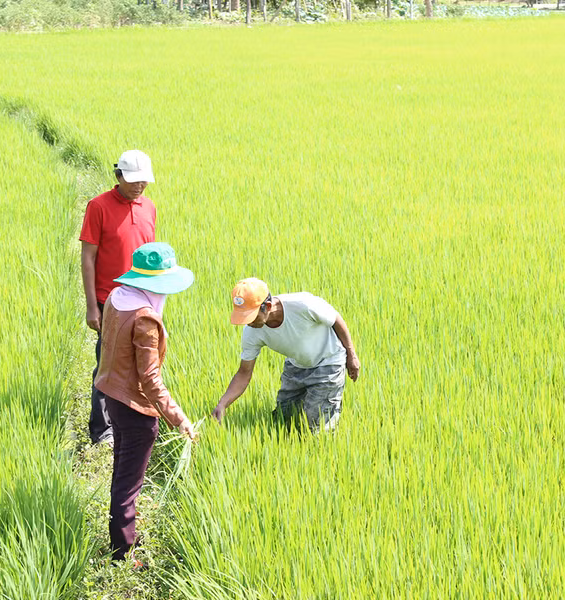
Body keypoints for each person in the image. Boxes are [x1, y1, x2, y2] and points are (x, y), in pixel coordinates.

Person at [94, 242, 196, 561]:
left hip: (112, 395)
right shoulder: (145, 319)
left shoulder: (117, 297)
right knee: (129, 483)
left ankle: (121, 537)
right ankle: (123, 554)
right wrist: (179, 418)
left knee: (121, 471)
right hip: (135, 409)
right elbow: (150, 379)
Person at [80, 149, 158, 445]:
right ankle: (102, 430)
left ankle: (131, 419)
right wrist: (92, 307)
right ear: (119, 176)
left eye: (144, 180)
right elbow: (88, 258)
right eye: (134, 180)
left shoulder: (149, 207)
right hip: (110, 301)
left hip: (143, 301)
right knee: (108, 365)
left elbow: (150, 259)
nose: (140, 186)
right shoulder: (98, 206)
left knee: (141, 363)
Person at [211, 278, 360, 432]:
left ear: (267, 306)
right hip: (296, 366)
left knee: (316, 426)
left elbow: (335, 319)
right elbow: (244, 373)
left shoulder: (303, 305)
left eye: (252, 316)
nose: (248, 322)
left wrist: (351, 355)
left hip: (328, 363)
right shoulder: (252, 332)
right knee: (284, 421)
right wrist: (223, 404)